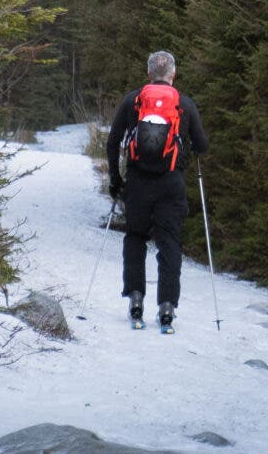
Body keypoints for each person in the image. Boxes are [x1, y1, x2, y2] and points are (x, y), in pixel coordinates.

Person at [105, 49, 209, 332]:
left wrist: (115, 180)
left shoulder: (133, 101)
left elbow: (113, 142)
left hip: (137, 182)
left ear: (149, 73)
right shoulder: (184, 104)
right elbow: (202, 145)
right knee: (169, 243)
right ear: (173, 74)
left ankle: (136, 299)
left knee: (135, 238)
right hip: (171, 184)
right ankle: (167, 307)